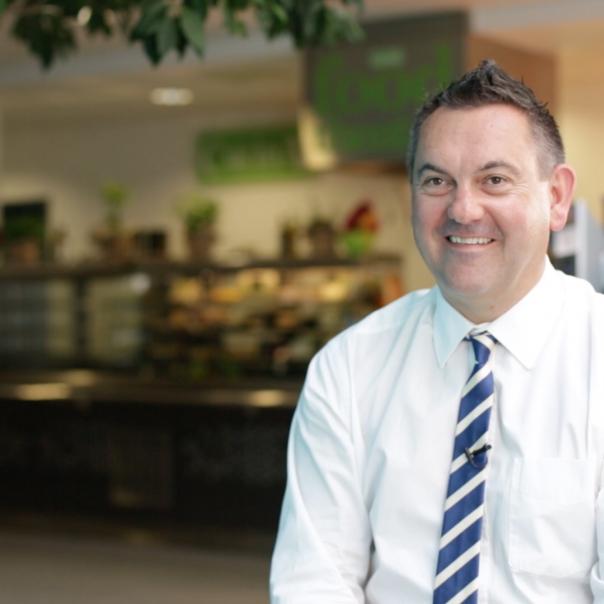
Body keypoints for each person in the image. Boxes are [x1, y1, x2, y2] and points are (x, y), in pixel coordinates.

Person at [269, 59, 604, 603]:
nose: (463, 209)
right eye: (436, 181)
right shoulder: (348, 367)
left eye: (495, 180)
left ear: (557, 197)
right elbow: (313, 580)